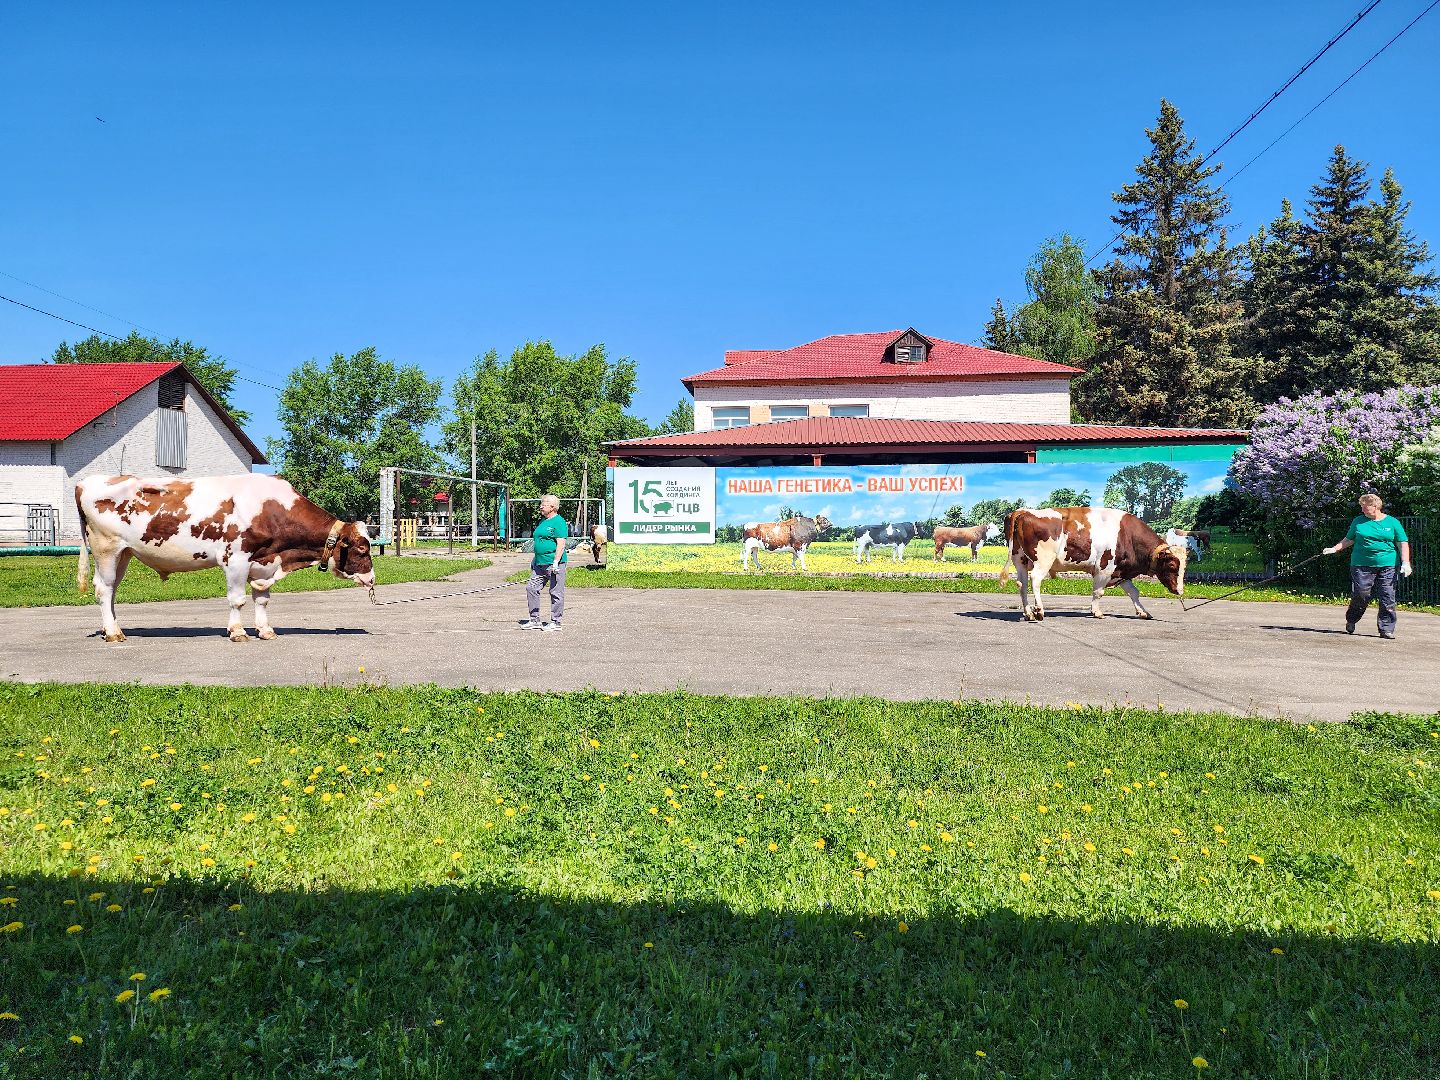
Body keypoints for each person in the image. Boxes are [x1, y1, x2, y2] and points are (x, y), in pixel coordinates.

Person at [1322, 493, 1412, 640]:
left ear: (1375, 506)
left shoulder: (1392, 522)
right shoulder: (1358, 521)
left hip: (1388, 564)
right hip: (1361, 564)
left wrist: (1406, 562)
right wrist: (1335, 548)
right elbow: (1349, 539)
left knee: (1387, 596)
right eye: (1362, 507)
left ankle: (1386, 629)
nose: (1362, 510)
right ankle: (1352, 619)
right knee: (1361, 594)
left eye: (1365, 507)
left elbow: (1402, 543)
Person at [522, 494, 568, 632]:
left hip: (554, 564)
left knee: (556, 592)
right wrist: (535, 559)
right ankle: (534, 620)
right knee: (531, 588)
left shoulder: (559, 522)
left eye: (544, 504)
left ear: (553, 507)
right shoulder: (543, 521)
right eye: (541, 503)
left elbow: (561, 543)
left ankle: (556, 622)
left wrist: (555, 562)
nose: (541, 506)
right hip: (539, 563)